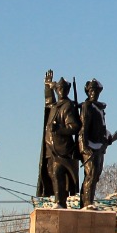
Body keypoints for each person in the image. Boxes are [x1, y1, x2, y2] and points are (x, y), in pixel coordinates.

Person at [78, 78, 117, 209]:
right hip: (89, 146)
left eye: (96, 91)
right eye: (91, 91)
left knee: (95, 176)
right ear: (87, 92)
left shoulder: (99, 108)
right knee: (90, 174)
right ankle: (86, 203)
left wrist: (109, 138)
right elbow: (83, 128)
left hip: (100, 147)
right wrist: (84, 147)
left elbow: (101, 129)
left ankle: (88, 202)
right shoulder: (87, 106)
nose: (93, 93)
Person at [43, 75, 81, 208]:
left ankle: (60, 202)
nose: (61, 91)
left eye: (64, 89)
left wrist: (59, 128)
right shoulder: (55, 106)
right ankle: (59, 201)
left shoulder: (68, 106)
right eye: (59, 89)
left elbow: (74, 127)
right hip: (50, 148)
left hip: (62, 149)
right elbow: (49, 102)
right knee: (52, 174)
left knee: (58, 172)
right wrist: (48, 86)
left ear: (67, 90)